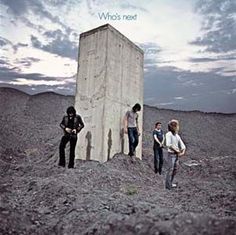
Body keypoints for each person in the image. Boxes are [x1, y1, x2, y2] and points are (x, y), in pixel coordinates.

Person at [165, 119, 186, 189]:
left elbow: (183, 145)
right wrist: (176, 150)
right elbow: (168, 144)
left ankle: (170, 183)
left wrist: (182, 152)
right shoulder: (168, 134)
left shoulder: (177, 136)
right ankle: (168, 185)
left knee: (175, 169)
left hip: (176, 155)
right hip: (171, 154)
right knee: (170, 169)